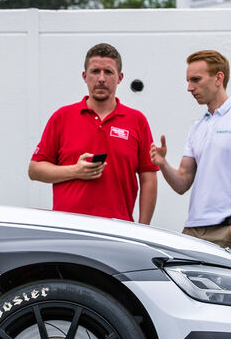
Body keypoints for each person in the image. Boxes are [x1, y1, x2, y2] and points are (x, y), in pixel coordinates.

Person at [150, 50, 231, 258]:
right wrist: (163, 164)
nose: (189, 88)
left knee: (227, 292)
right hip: (192, 231)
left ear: (218, 78)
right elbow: (182, 182)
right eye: (188, 81)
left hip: (228, 230)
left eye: (196, 80)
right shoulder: (198, 126)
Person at [29, 43, 158, 223]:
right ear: (84, 76)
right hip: (67, 227)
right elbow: (35, 170)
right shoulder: (62, 117)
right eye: (95, 71)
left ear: (120, 77)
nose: (101, 79)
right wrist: (75, 171)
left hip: (119, 230)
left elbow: (148, 177)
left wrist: (144, 229)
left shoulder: (137, 120)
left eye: (109, 72)